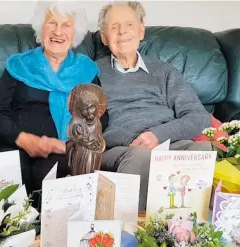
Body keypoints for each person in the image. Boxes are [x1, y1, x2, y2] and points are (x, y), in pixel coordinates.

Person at [0, 2, 107, 204]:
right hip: (15, 144)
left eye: (66, 25)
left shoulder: (86, 70)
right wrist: (23, 139)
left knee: (50, 175)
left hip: (62, 149)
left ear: (74, 33)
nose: (58, 31)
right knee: (14, 178)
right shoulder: (19, 65)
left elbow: (101, 116)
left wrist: (68, 145)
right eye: (52, 23)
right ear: (41, 28)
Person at [96, 1, 212, 210]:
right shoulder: (92, 72)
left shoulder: (163, 71)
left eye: (129, 25)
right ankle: (130, 229)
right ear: (104, 37)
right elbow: (85, 123)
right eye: (114, 27)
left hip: (167, 143)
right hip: (122, 147)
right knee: (141, 156)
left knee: (200, 150)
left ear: (141, 31)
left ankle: (189, 231)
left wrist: (158, 135)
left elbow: (199, 116)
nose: (122, 32)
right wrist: (133, 140)